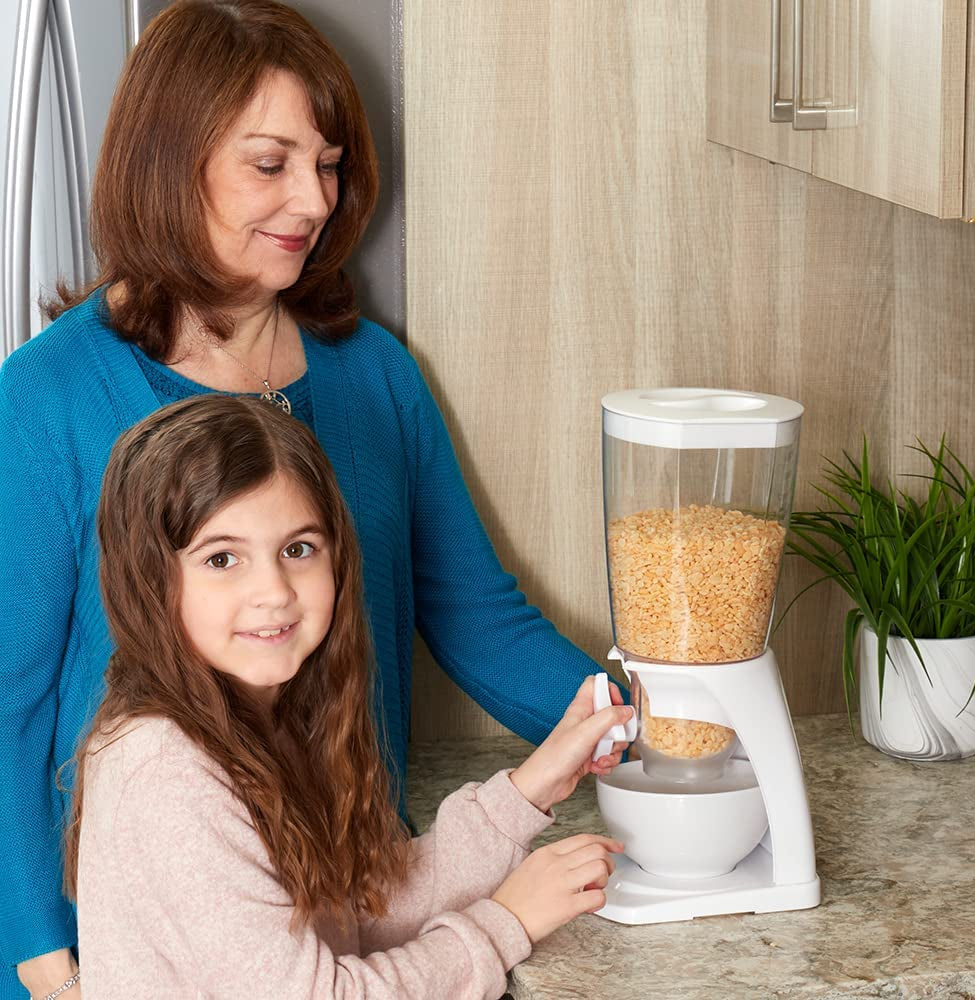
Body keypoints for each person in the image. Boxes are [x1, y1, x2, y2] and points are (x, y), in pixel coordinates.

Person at [0, 2, 625, 997]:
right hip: (119, 940)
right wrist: (34, 945)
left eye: (327, 163)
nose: (313, 198)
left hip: (350, 888)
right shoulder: (46, 399)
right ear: (173, 163)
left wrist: (638, 722)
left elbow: (477, 614)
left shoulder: (374, 374)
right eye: (270, 162)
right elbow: (10, 698)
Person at [66, 394, 631, 999]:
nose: (274, 591)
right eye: (223, 558)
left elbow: (358, 917)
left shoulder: (263, 717)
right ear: (149, 582)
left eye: (298, 549)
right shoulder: (166, 768)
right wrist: (507, 924)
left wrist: (531, 788)